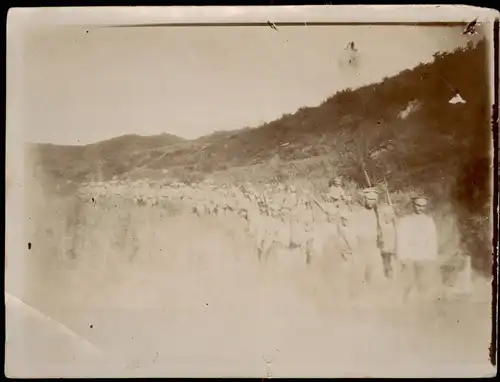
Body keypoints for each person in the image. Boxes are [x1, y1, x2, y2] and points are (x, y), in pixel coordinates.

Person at [338, 187, 387, 302]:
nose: (370, 202)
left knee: (374, 275)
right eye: (368, 199)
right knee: (358, 275)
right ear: (364, 199)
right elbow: (351, 233)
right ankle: (354, 301)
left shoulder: (378, 215)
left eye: (373, 199)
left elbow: (382, 233)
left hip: (374, 248)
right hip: (360, 248)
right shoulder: (358, 214)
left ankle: (372, 300)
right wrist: (352, 249)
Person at [395, 195, 440, 302]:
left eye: (423, 206)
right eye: (418, 205)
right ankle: (404, 303)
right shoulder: (405, 220)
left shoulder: (429, 221)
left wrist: (432, 257)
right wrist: (401, 257)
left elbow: (432, 239)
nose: (420, 208)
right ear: (413, 205)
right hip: (409, 255)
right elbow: (401, 239)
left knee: (423, 282)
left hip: (424, 255)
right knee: (408, 282)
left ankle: (421, 305)